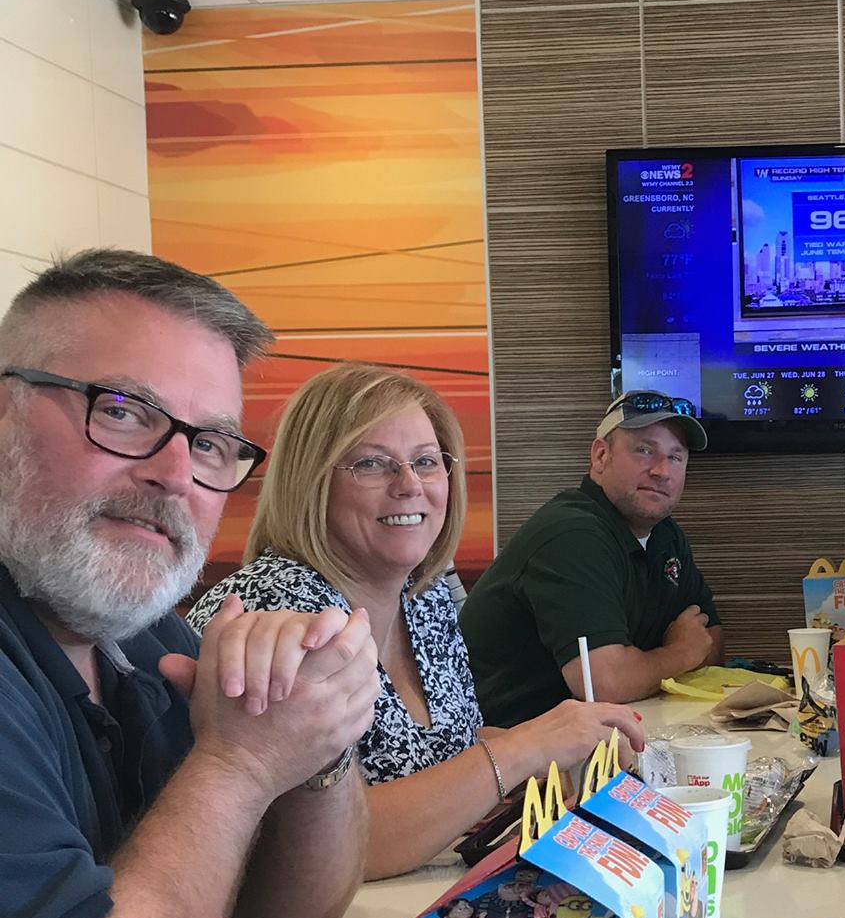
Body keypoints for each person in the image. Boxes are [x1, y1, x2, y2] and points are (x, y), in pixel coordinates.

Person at [0, 250, 380, 918]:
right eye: (123, 411)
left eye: (209, 443)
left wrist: (314, 741)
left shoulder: (141, 631)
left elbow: (299, 908)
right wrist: (238, 767)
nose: (175, 474)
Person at [189, 364, 644, 880]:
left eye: (426, 462)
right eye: (372, 464)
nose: (409, 485)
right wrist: (524, 750)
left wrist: (557, 751)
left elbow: (440, 754)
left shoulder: (424, 598)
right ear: (310, 481)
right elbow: (319, 852)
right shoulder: (276, 609)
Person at [463, 390, 724, 728]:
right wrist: (679, 653)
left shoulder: (665, 535)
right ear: (601, 456)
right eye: (644, 450)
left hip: (595, 737)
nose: (662, 471)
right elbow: (604, 684)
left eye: (675, 457)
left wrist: (659, 660)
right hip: (508, 747)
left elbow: (710, 641)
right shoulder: (572, 534)